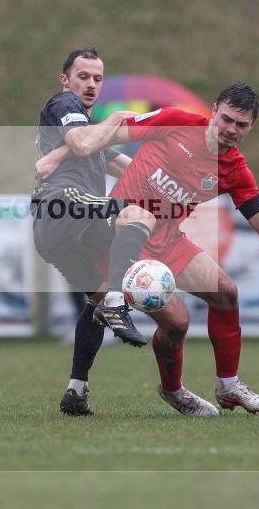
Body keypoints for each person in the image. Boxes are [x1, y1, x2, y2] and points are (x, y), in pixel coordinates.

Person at [38, 82, 259, 417]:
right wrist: (60, 153)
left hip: (168, 238)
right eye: (227, 119)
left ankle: (229, 385)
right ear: (214, 110)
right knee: (177, 322)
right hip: (123, 235)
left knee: (226, 293)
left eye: (241, 125)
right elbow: (107, 135)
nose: (231, 130)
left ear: (251, 128)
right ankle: (174, 391)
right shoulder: (176, 122)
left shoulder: (234, 170)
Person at [32, 48, 165, 413]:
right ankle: (118, 302)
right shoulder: (64, 105)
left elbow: (130, 169)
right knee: (138, 215)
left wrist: (170, 179)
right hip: (64, 204)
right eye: (83, 77)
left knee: (94, 299)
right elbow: (81, 143)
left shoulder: (88, 128)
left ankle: (76, 391)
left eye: (97, 78)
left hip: (57, 234)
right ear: (65, 80)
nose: (91, 84)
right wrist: (119, 118)